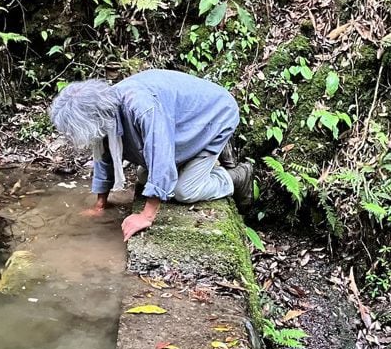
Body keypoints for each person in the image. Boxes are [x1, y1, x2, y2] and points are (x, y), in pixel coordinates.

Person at [50, 69, 254, 241]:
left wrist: (146, 216)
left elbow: (161, 156)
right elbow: (104, 154)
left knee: (184, 191)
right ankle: (198, 156)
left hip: (214, 115)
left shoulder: (141, 107)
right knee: (144, 177)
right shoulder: (105, 109)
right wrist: (100, 205)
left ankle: (236, 177)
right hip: (182, 119)